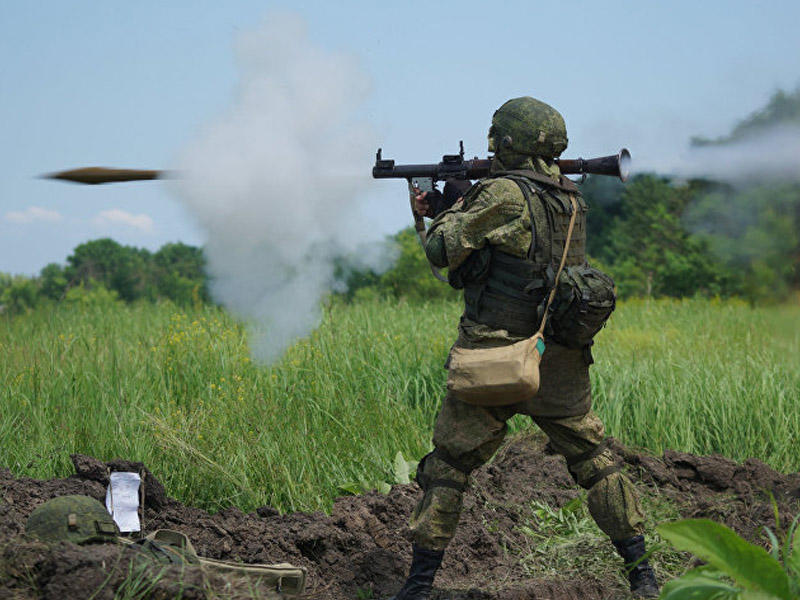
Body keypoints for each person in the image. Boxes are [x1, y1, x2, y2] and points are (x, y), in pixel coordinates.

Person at [389, 97, 659, 599]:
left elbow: (442, 252)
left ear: (505, 140)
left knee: (448, 467)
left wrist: (443, 208)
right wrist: (460, 200)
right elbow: (520, 253)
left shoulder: (502, 194)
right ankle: (643, 577)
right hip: (557, 356)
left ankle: (418, 589)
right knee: (595, 461)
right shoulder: (570, 197)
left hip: (495, 359)